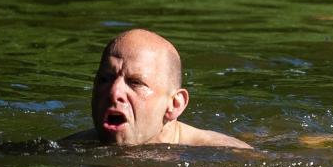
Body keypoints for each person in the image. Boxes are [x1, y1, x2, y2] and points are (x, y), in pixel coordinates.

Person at [64, 29, 252, 148]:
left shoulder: (224, 154)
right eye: (105, 79)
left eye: (135, 83)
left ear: (175, 104)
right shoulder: (69, 148)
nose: (114, 92)